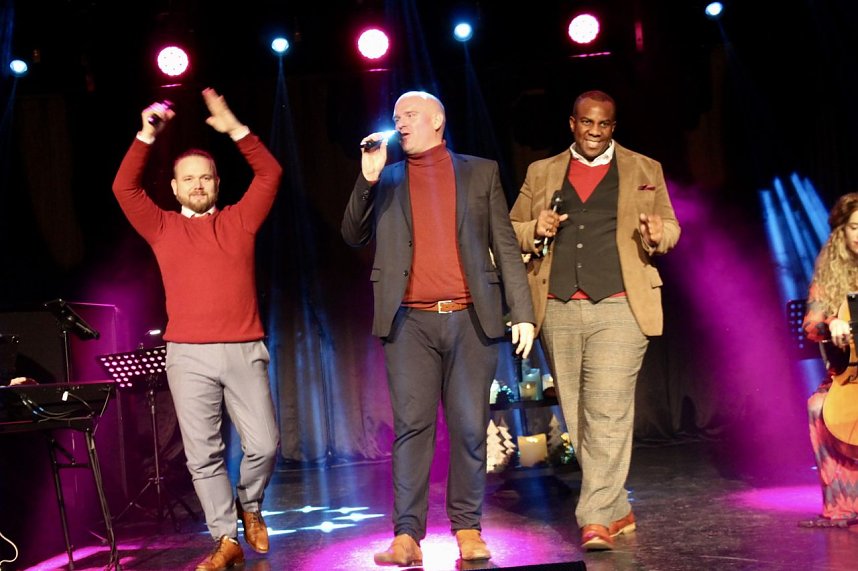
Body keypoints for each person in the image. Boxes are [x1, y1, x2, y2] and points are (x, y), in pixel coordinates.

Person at [341, 91, 535, 566]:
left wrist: (524, 311)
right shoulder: (386, 179)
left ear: (437, 121)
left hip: (471, 319)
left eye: (409, 116)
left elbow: (505, 246)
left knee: (470, 427)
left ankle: (468, 528)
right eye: (395, 117)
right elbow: (352, 234)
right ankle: (407, 535)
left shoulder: (479, 172)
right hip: (409, 322)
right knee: (412, 428)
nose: (400, 124)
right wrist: (366, 178)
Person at [112, 88, 283, 571]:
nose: (199, 184)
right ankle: (225, 538)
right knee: (202, 455)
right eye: (189, 179)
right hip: (188, 354)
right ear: (174, 186)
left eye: (206, 177)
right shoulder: (162, 226)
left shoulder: (240, 221)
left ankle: (250, 505)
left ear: (217, 182)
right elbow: (124, 189)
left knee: (264, 444)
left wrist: (235, 129)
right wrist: (147, 135)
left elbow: (270, 173)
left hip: (245, 349)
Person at [509, 90, 680, 551]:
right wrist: (534, 229)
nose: (595, 132)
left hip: (622, 303)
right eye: (587, 123)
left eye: (604, 125)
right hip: (558, 305)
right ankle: (616, 507)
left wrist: (660, 234)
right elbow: (511, 230)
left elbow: (671, 226)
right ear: (572, 123)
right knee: (579, 412)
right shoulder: (541, 172)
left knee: (607, 407)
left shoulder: (645, 169)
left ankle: (592, 518)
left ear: (613, 127)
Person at [801, 192, 858, 528]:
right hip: (848, 372)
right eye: (854, 227)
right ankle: (842, 504)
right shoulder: (829, 271)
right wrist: (830, 321)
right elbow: (811, 323)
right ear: (842, 231)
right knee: (817, 408)